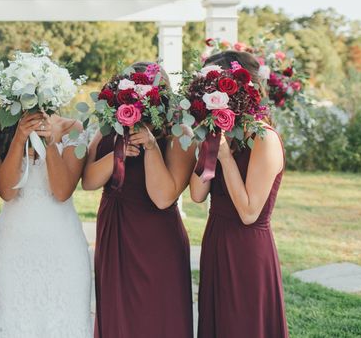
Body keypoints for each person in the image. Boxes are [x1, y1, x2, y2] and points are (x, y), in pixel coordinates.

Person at [83, 62, 196, 337]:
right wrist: (117, 155)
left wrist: (151, 146)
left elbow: (163, 198)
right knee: (116, 314)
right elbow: (88, 181)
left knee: (156, 316)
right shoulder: (110, 127)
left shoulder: (180, 134)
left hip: (156, 239)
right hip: (115, 231)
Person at [189, 50, 289, 338]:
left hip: (247, 249)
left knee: (242, 326)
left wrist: (225, 158)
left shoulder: (264, 139)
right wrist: (208, 146)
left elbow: (248, 212)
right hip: (216, 239)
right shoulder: (220, 136)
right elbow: (197, 194)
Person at [0, 111, 93, 338]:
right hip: (14, 246)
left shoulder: (72, 127)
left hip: (63, 246)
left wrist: (50, 142)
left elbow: (62, 191)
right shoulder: (1, 130)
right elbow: (6, 192)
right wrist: (19, 137)